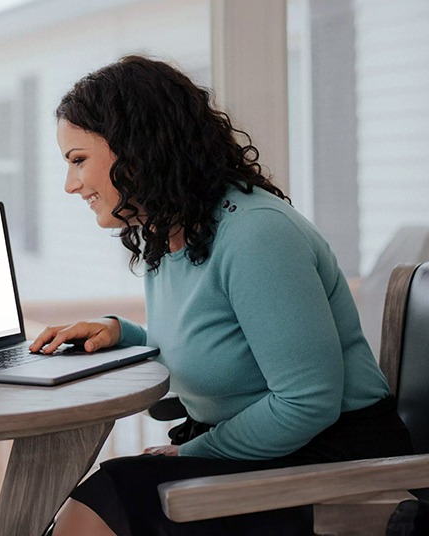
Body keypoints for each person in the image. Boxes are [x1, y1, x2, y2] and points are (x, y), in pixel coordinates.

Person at [29, 55, 413, 536]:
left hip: (335, 464)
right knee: (103, 497)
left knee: (109, 499)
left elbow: (308, 402)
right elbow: (226, 343)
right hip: (274, 449)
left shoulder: (256, 235)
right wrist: (121, 333)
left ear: (137, 147)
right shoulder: (172, 232)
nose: (71, 185)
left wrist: (191, 453)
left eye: (78, 160)